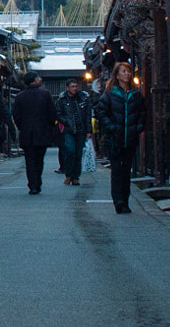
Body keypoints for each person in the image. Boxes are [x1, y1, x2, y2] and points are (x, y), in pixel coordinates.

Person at [96, 61, 146, 214]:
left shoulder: (136, 94)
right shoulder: (110, 94)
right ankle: (118, 201)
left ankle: (125, 199)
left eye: (129, 71)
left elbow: (142, 113)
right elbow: (101, 112)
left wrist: (138, 127)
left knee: (126, 170)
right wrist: (111, 127)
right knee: (116, 170)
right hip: (115, 137)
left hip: (130, 137)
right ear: (117, 75)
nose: (127, 74)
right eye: (124, 71)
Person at [11, 73, 57, 195]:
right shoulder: (45, 95)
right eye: (38, 78)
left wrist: (22, 127)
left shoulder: (20, 97)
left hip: (27, 132)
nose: (40, 79)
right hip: (42, 131)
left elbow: (16, 115)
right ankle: (37, 182)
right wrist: (50, 126)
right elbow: (52, 113)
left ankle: (33, 185)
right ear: (34, 80)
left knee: (30, 160)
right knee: (39, 159)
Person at [57, 78, 94, 187]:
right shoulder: (62, 99)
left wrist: (89, 130)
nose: (74, 88)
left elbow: (88, 115)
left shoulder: (83, 98)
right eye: (72, 86)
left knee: (78, 154)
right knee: (70, 151)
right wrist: (66, 121)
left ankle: (76, 177)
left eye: (76, 86)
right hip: (69, 130)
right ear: (67, 88)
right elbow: (58, 114)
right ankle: (68, 174)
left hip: (81, 129)